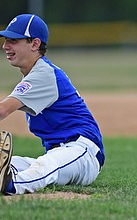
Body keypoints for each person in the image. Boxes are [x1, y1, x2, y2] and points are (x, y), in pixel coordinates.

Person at [0, 14, 105, 195]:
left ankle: (11, 185)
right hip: (60, 153)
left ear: (35, 44)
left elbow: (2, 109)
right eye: (6, 40)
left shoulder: (43, 74)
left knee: (47, 165)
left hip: (82, 151)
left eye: (13, 40)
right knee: (17, 162)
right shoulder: (35, 74)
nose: (5, 46)